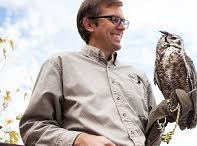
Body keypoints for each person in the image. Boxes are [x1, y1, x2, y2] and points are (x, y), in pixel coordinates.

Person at [19, 0, 163, 145]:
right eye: (115, 19)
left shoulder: (139, 76)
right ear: (89, 24)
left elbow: (153, 138)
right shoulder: (61, 64)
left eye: (123, 21)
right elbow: (33, 128)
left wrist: (167, 113)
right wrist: (79, 140)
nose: (122, 27)